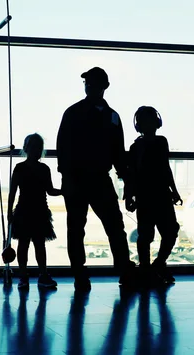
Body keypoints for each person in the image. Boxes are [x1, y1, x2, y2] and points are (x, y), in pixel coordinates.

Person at [56, 66, 137, 291]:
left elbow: (64, 147)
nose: (88, 86)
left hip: (88, 179)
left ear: (103, 86)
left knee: (86, 228)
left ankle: (83, 274)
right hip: (88, 178)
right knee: (105, 227)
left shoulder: (75, 113)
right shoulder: (110, 117)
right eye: (87, 83)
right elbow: (118, 154)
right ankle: (119, 269)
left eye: (91, 83)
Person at [124, 106, 182, 285]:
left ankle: (148, 269)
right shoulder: (160, 142)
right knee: (169, 232)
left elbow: (131, 173)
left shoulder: (136, 147)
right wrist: (174, 190)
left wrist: (129, 195)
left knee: (146, 235)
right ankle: (156, 265)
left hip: (146, 196)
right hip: (159, 195)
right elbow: (165, 168)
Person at [8, 133, 62, 290]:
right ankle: (42, 275)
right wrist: (64, 191)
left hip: (26, 210)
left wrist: (10, 212)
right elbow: (50, 190)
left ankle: (24, 276)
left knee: (26, 245)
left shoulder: (20, 168)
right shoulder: (43, 169)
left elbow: (13, 192)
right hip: (38, 211)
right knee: (37, 245)